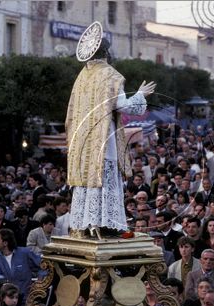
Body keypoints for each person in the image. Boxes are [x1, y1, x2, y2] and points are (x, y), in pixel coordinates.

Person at [66, 22, 156, 239]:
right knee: (104, 179)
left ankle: (84, 224)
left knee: (87, 183)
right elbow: (122, 105)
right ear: (106, 53)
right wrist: (141, 94)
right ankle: (104, 223)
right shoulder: (108, 74)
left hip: (83, 143)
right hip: (103, 139)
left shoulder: (82, 77)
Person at [0, 228, 41, 306]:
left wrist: (41, 281)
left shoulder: (25, 253)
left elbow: (43, 266)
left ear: (5, 243)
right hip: (6, 304)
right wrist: (5, 282)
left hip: (27, 301)